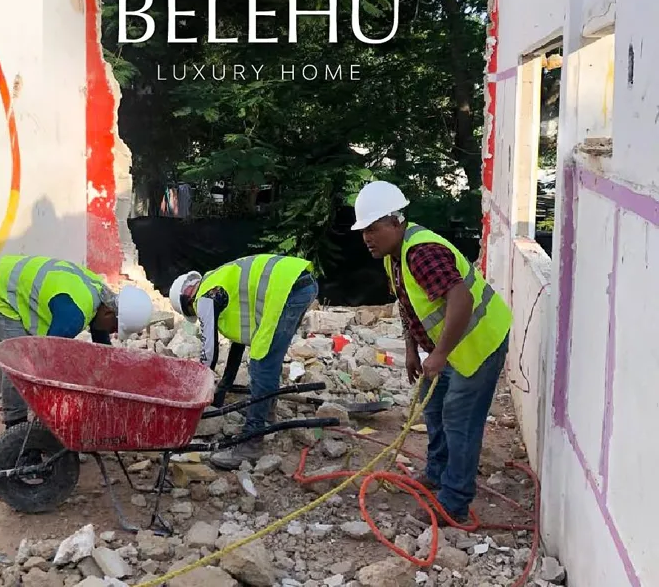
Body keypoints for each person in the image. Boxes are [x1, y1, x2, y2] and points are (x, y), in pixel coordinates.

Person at [352, 181, 512, 525]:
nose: (367, 238)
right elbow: (408, 302)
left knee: (459, 418)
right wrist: (413, 350)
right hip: (449, 347)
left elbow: (462, 300)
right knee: (434, 404)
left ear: (396, 222)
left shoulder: (421, 252)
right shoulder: (393, 256)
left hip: (479, 342)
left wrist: (438, 354)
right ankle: (438, 473)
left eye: (373, 229)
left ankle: (454, 501)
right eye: (363, 231)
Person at [169, 254, 318, 469]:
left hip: (287, 289)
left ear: (187, 300)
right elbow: (237, 345)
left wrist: (199, 392)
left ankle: (251, 442)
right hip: (301, 283)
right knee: (270, 357)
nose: (198, 316)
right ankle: (266, 414)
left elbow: (209, 352)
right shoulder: (221, 281)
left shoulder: (205, 297)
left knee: (261, 362)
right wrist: (223, 387)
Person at [0, 254, 154, 428]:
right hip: (1, 290)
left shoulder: (101, 296)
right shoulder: (73, 316)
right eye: (114, 328)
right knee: (18, 361)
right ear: (109, 313)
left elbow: (102, 347)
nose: (113, 333)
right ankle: (15, 427)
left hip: (15, 278)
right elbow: (46, 362)